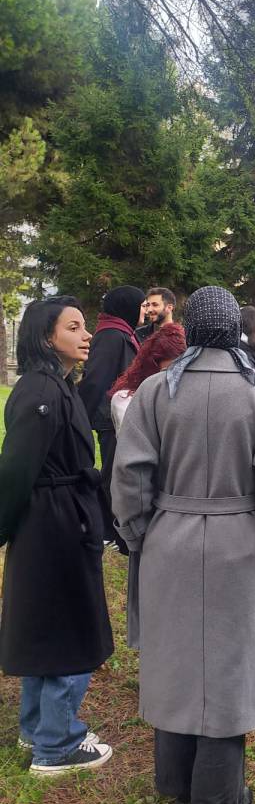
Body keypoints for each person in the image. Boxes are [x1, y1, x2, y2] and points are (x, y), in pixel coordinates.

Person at [111, 286, 255, 804]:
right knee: (230, 667)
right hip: (241, 546)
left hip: (168, 538)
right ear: (235, 331)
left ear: (190, 328)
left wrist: (141, 534)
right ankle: (217, 798)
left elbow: (129, 477)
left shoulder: (154, 392)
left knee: (175, 658)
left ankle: (174, 780)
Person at [0, 297, 114, 774]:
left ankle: (36, 727)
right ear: (47, 337)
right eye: (74, 327)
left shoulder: (53, 385)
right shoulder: (41, 393)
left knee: (48, 624)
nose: (86, 335)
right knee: (70, 625)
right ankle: (57, 743)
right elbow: (16, 470)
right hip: (55, 523)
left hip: (57, 516)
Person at [108, 322, 188, 648]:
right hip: (150, 501)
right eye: (170, 368)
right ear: (154, 363)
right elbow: (134, 465)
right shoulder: (128, 399)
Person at [78, 285, 145, 545]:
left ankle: (113, 529)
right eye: (141, 306)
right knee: (113, 474)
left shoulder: (122, 333)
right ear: (128, 307)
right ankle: (110, 529)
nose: (145, 311)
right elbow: (96, 379)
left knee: (118, 472)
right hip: (111, 418)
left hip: (119, 416)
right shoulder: (111, 335)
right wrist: (80, 418)